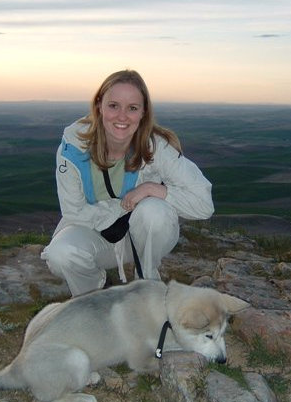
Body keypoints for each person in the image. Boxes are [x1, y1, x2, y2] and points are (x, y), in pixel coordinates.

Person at [41, 69, 214, 296]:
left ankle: (146, 282)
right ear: (99, 105)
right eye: (114, 105)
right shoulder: (73, 147)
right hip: (95, 234)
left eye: (132, 108)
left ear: (143, 113)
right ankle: (93, 297)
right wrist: (123, 208)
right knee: (60, 254)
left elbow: (204, 205)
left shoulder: (156, 147)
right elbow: (73, 211)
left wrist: (152, 189)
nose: (122, 116)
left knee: (154, 211)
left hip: (141, 239)